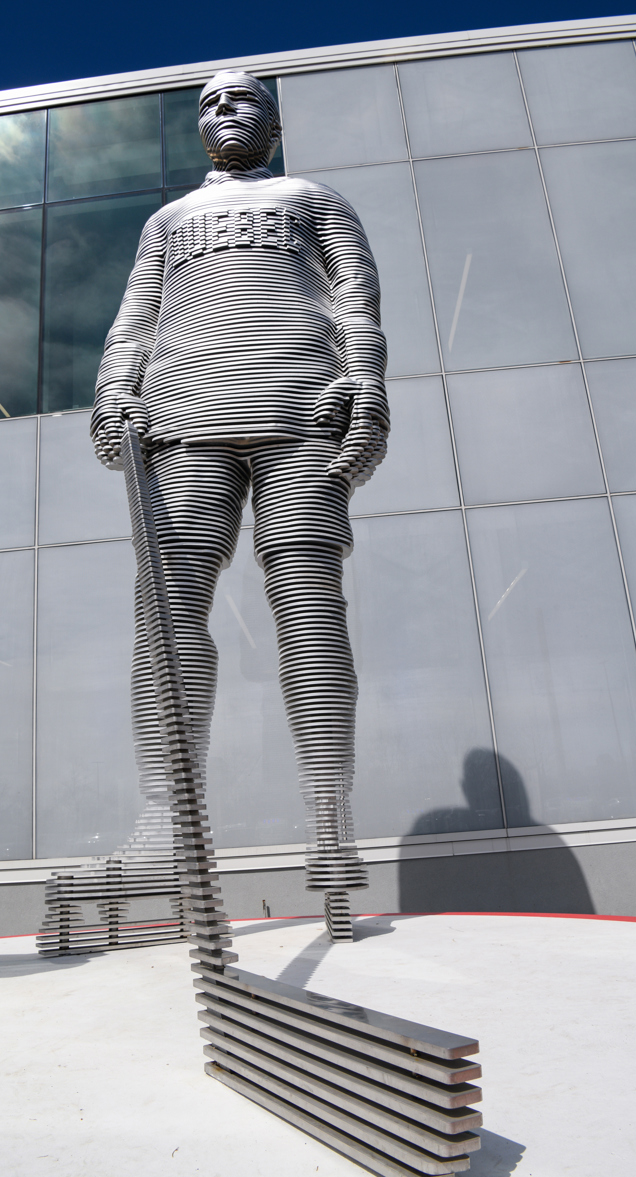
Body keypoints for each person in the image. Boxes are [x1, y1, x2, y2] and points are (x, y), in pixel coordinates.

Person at [90, 70, 389, 908]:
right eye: (210, 103)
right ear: (197, 128)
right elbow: (136, 319)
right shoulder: (167, 221)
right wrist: (113, 392)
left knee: (309, 602)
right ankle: (166, 818)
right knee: (168, 609)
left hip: (301, 407)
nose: (225, 109)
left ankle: (330, 820)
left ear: (275, 122)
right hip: (182, 415)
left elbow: (358, 299)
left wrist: (367, 385)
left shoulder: (312, 199)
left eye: (244, 98)